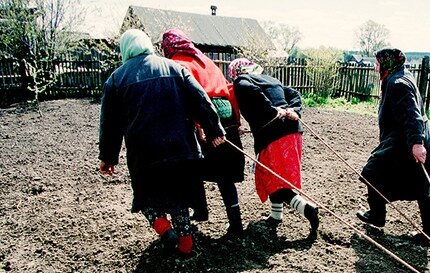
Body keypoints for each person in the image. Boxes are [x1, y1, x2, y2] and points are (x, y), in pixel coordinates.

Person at [98, 29, 226, 256]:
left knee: (145, 196)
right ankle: (186, 245)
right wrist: (214, 130)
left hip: (144, 154)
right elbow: (201, 100)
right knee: (180, 197)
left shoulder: (116, 80)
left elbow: (110, 124)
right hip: (181, 149)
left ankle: (164, 229)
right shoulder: (176, 69)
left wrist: (108, 158)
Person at [161, 28, 245, 238]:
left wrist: (200, 126)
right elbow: (227, 88)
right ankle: (235, 223)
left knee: (190, 166)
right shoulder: (205, 60)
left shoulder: (177, 64)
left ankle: (199, 211)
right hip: (226, 115)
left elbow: (193, 98)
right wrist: (235, 121)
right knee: (225, 174)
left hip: (207, 118)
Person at [228, 57, 319, 237]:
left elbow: (247, 89)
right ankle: (276, 216)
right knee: (273, 175)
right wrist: (294, 110)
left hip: (273, 135)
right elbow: (293, 93)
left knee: (273, 178)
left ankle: (307, 208)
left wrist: (271, 110)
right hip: (292, 132)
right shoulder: (271, 79)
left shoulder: (242, 80)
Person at [357, 48, 430, 247]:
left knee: (372, 171)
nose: (376, 66)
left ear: (386, 62)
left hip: (405, 141)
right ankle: (429, 234)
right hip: (410, 138)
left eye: (378, 62)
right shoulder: (400, 75)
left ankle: (377, 215)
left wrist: (417, 143)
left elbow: (412, 114)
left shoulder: (398, 83)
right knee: (420, 185)